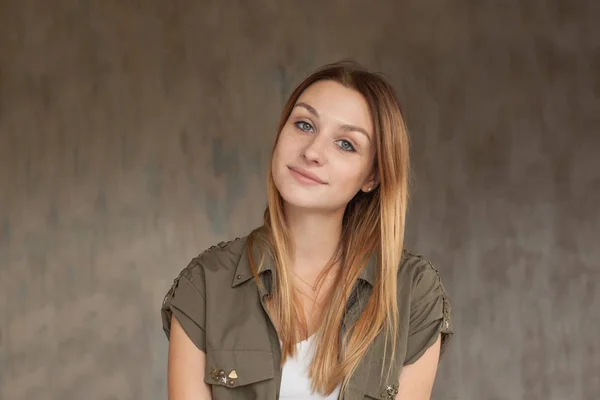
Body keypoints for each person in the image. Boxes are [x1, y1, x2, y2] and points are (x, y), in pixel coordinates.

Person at [161, 60, 453, 400]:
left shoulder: (413, 292)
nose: (312, 152)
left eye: (346, 144)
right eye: (304, 124)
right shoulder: (206, 285)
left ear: (372, 176)